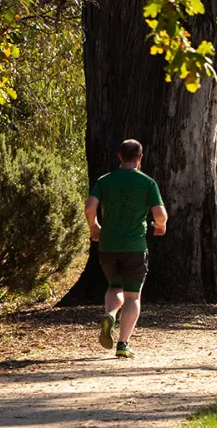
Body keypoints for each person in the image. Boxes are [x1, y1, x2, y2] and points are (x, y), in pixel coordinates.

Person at [84, 139, 168, 359]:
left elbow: (89, 207)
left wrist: (94, 227)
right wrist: (160, 225)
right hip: (134, 247)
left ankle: (110, 314)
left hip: (108, 246)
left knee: (114, 287)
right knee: (132, 296)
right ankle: (123, 344)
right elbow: (159, 215)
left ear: (119, 156)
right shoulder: (147, 183)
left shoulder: (105, 181)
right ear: (140, 158)